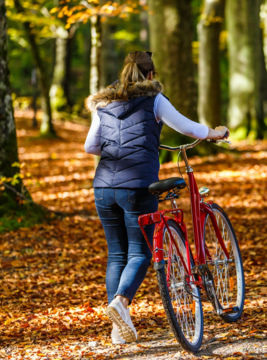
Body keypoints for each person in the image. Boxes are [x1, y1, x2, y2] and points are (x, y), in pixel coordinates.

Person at [84, 51, 229, 344]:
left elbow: (91, 146)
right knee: (140, 252)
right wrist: (216, 133)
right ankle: (121, 303)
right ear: (151, 75)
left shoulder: (104, 104)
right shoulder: (154, 99)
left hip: (103, 188)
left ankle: (118, 328)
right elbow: (188, 128)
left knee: (116, 254)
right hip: (137, 186)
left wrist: (117, 149)